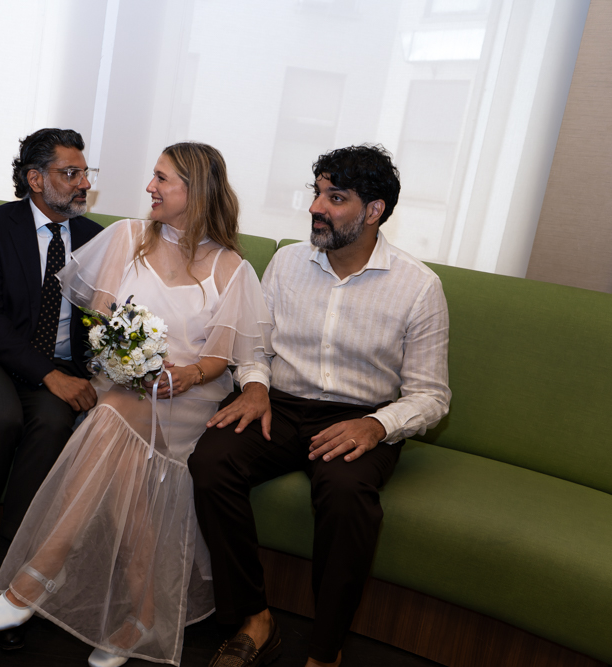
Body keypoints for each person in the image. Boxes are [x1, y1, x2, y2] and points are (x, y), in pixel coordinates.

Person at [0, 142, 272, 667]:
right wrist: (128, 363)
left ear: (196, 192)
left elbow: (220, 360)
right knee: (120, 423)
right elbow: (102, 331)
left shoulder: (232, 269)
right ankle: (142, 615)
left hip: (191, 398)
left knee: (113, 419)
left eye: (162, 179)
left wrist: (183, 375)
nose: (149, 188)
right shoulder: (127, 239)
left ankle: (40, 573)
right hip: (129, 388)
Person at [189, 145, 451, 667]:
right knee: (211, 462)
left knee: (347, 497)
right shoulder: (287, 262)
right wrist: (255, 384)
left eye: (335, 197)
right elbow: (256, 346)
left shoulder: (419, 287)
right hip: (280, 404)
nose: (316, 207)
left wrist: (378, 426)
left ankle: (325, 651)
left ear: (373, 211)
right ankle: (255, 618)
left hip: (360, 417)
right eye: (316, 193)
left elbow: (431, 395)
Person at [0, 128, 104, 649]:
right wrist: (50, 375)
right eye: (71, 173)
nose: (84, 183)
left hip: (59, 366)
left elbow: (99, 323)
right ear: (35, 179)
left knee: (52, 425)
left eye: (86, 173)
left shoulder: (94, 237)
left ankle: (7, 582)